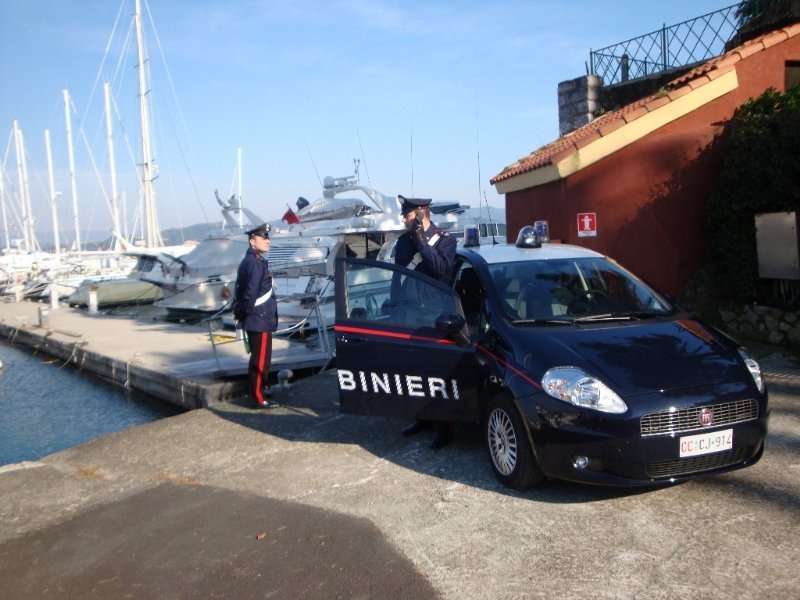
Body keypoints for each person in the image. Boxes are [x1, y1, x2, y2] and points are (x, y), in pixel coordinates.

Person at [392, 195, 457, 449]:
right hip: (408, 314)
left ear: (420, 214)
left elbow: (441, 269)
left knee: (435, 374)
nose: (403, 218)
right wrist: (393, 305)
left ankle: (444, 427)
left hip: (433, 315)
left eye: (407, 215)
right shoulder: (403, 242)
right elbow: (397, 277)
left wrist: (421, 242)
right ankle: (422, 418)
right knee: (414, 371)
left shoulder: (445, 240)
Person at [234, 223, 279, 408]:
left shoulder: (251, 260)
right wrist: (243, 313)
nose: (268, 241)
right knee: (260, 361)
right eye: (263, 238)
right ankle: (258, 398)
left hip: (258, 318)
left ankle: (260, 390)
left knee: (260, 359)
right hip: (259, 318)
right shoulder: (255, 263)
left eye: (268, 237)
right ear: (253, 241)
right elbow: (250, 294)